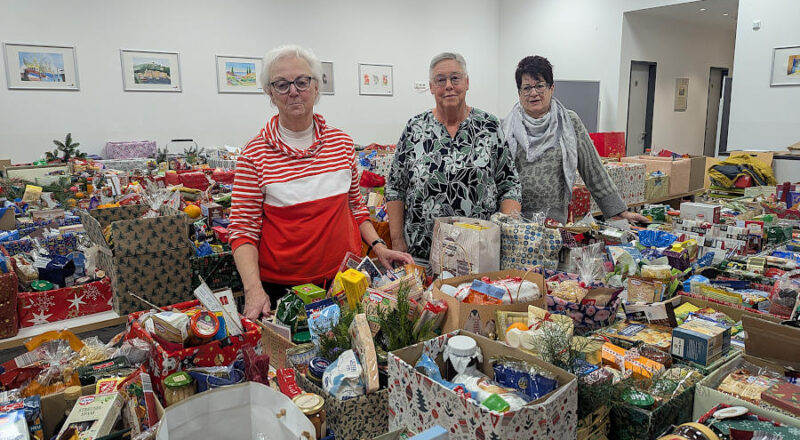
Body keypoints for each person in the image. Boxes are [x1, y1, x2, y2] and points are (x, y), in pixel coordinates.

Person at [229, 44, 413, 321]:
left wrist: (378, 246)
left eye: (302, 82)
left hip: (345, 280)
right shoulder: (254, 155)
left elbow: (355, 207)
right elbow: (243, 231)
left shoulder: (341, 143)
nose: (293, 91)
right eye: (282, 84)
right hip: (284, 291)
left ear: (316, 87)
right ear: (270, 92)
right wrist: (253, 289)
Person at [385, 52, 522, 263]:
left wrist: (505, 234)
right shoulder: (415, 128)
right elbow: (395, 187)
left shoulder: (489, 126)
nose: (448, 85)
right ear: (431, 87)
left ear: (467, 83)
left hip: (479, 256)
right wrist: (396, 240)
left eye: (455, 78)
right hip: (422, 255)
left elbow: (509, 185)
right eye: (440, 80)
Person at [502, 55, 648, 224]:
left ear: (551, 88)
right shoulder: (507, 127)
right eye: (526, 88)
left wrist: (618, 211)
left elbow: (593, 169)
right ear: (519, 92)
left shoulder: (569, 122)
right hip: (515, 222)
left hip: (554, 223)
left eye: (540, 86)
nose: (533, 93)